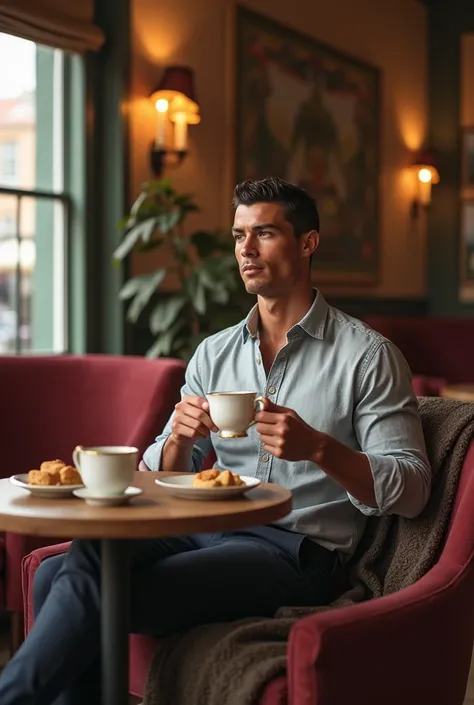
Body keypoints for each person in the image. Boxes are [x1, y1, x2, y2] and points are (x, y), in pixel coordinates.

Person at [0, 176, 431, 705]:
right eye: (237, 235)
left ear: (307, 243)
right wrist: (179, 443)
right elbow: (165, 472)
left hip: (297, 552)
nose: (245, 250)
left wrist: (319, 448)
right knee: (63, 571)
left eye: (265, 233)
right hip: (201, 527)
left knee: (95, 588)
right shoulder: (213, 353)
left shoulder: (368, 356)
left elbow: (412, 488)